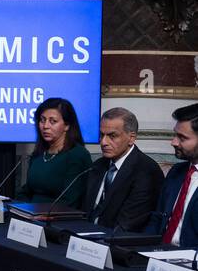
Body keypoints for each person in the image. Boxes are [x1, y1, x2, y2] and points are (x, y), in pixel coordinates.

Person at [80, 107, 163, 231]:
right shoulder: (98, 165)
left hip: (118, 243)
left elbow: (128, 224)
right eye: (102, 135)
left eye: (112, 136)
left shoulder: (146, 171)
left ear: (131, 138)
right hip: (85, 238)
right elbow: (84, 211)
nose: (103, 142)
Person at [15, 97, 93, 206]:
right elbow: (27, 191)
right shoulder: (39, 154)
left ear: (67, 125)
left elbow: (70, 201)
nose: (45, 126)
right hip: (31, 215)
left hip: (59, 219)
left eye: (53, 121)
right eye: (42, 120)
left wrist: (36, 214)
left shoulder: (77, 155)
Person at [148, 103, 198, 248]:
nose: (173, 142)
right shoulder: (176, 171)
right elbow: (157, 219)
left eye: (182, 138)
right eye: (175, 135)